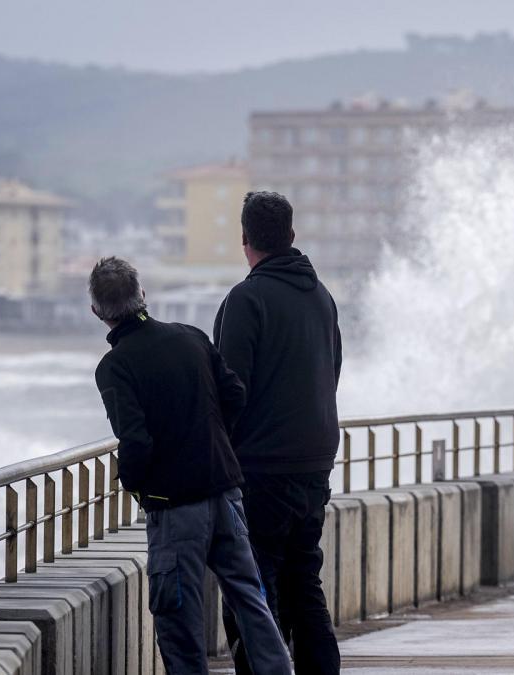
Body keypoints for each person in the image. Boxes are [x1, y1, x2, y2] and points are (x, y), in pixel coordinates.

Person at [90, 256, 292, 675]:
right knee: (250, 600)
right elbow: (234, 395)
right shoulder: (190, 337)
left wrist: (136, 485)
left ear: (97, 312)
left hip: (175, 507)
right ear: (143, 295)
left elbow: (136, 441)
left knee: (177, 615)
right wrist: (216, 443)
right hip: (225, 492)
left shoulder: (115, 366)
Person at [215, 191, 342, 675]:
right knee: (305, 587)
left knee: (253, 590)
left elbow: (230, 391)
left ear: (245, 239)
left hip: (261, 472)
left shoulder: (247, 299)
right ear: (291, 236)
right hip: (314, 466)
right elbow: (333, 371)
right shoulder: (321, 297)